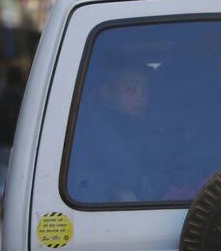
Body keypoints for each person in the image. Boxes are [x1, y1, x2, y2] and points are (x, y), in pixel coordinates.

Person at [67, 64, 160, 203]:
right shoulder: (100, 132)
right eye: (131, 89)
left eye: (145, 91)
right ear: (106, 93)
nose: (140, 98)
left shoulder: (143, 129)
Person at [0, 67, 24, 219]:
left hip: (2, 141)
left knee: (1, 173)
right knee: (17, 174)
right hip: (20, 143)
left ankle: (3, 197)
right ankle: (10, 202)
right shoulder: (25, 97)